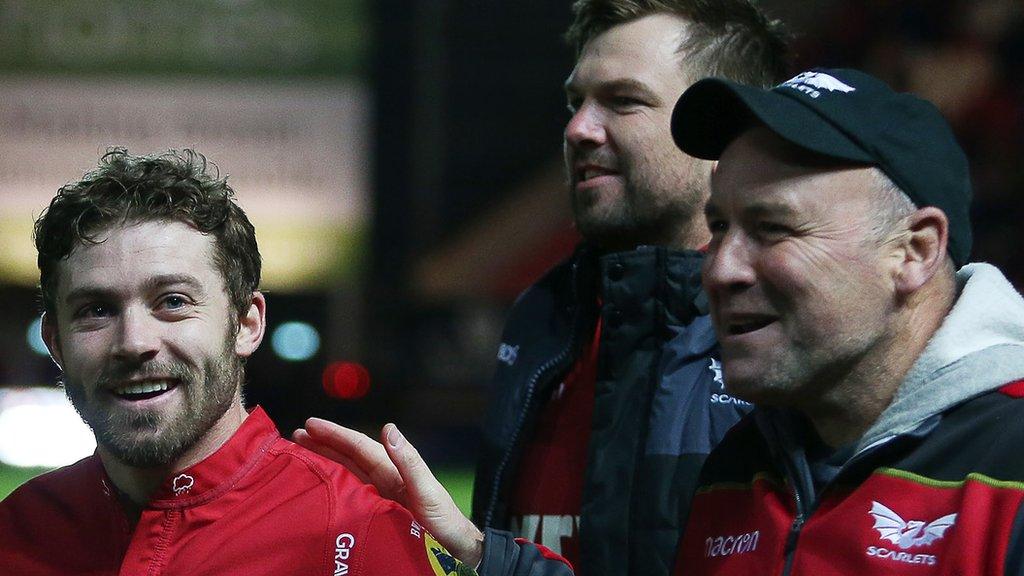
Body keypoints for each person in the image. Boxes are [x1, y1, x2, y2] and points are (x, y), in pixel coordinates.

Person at [299, 3, 789, 575]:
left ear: (721, 133)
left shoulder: (783, 332)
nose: (578, 128)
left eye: (623, 100)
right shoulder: (544, 314)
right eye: (575, 102)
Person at [0, 149, 481, 575]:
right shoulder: (16, 532)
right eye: (96, 310)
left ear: (246, 324)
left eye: (172, 301)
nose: (134, 342)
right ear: (56, 342)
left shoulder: (355, 535)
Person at [667, 68, 1024, 574]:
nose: (720, 270)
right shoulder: (736, 465)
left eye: (772, 228)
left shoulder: (1012, 467)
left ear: (913, 251)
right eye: (720, 227)